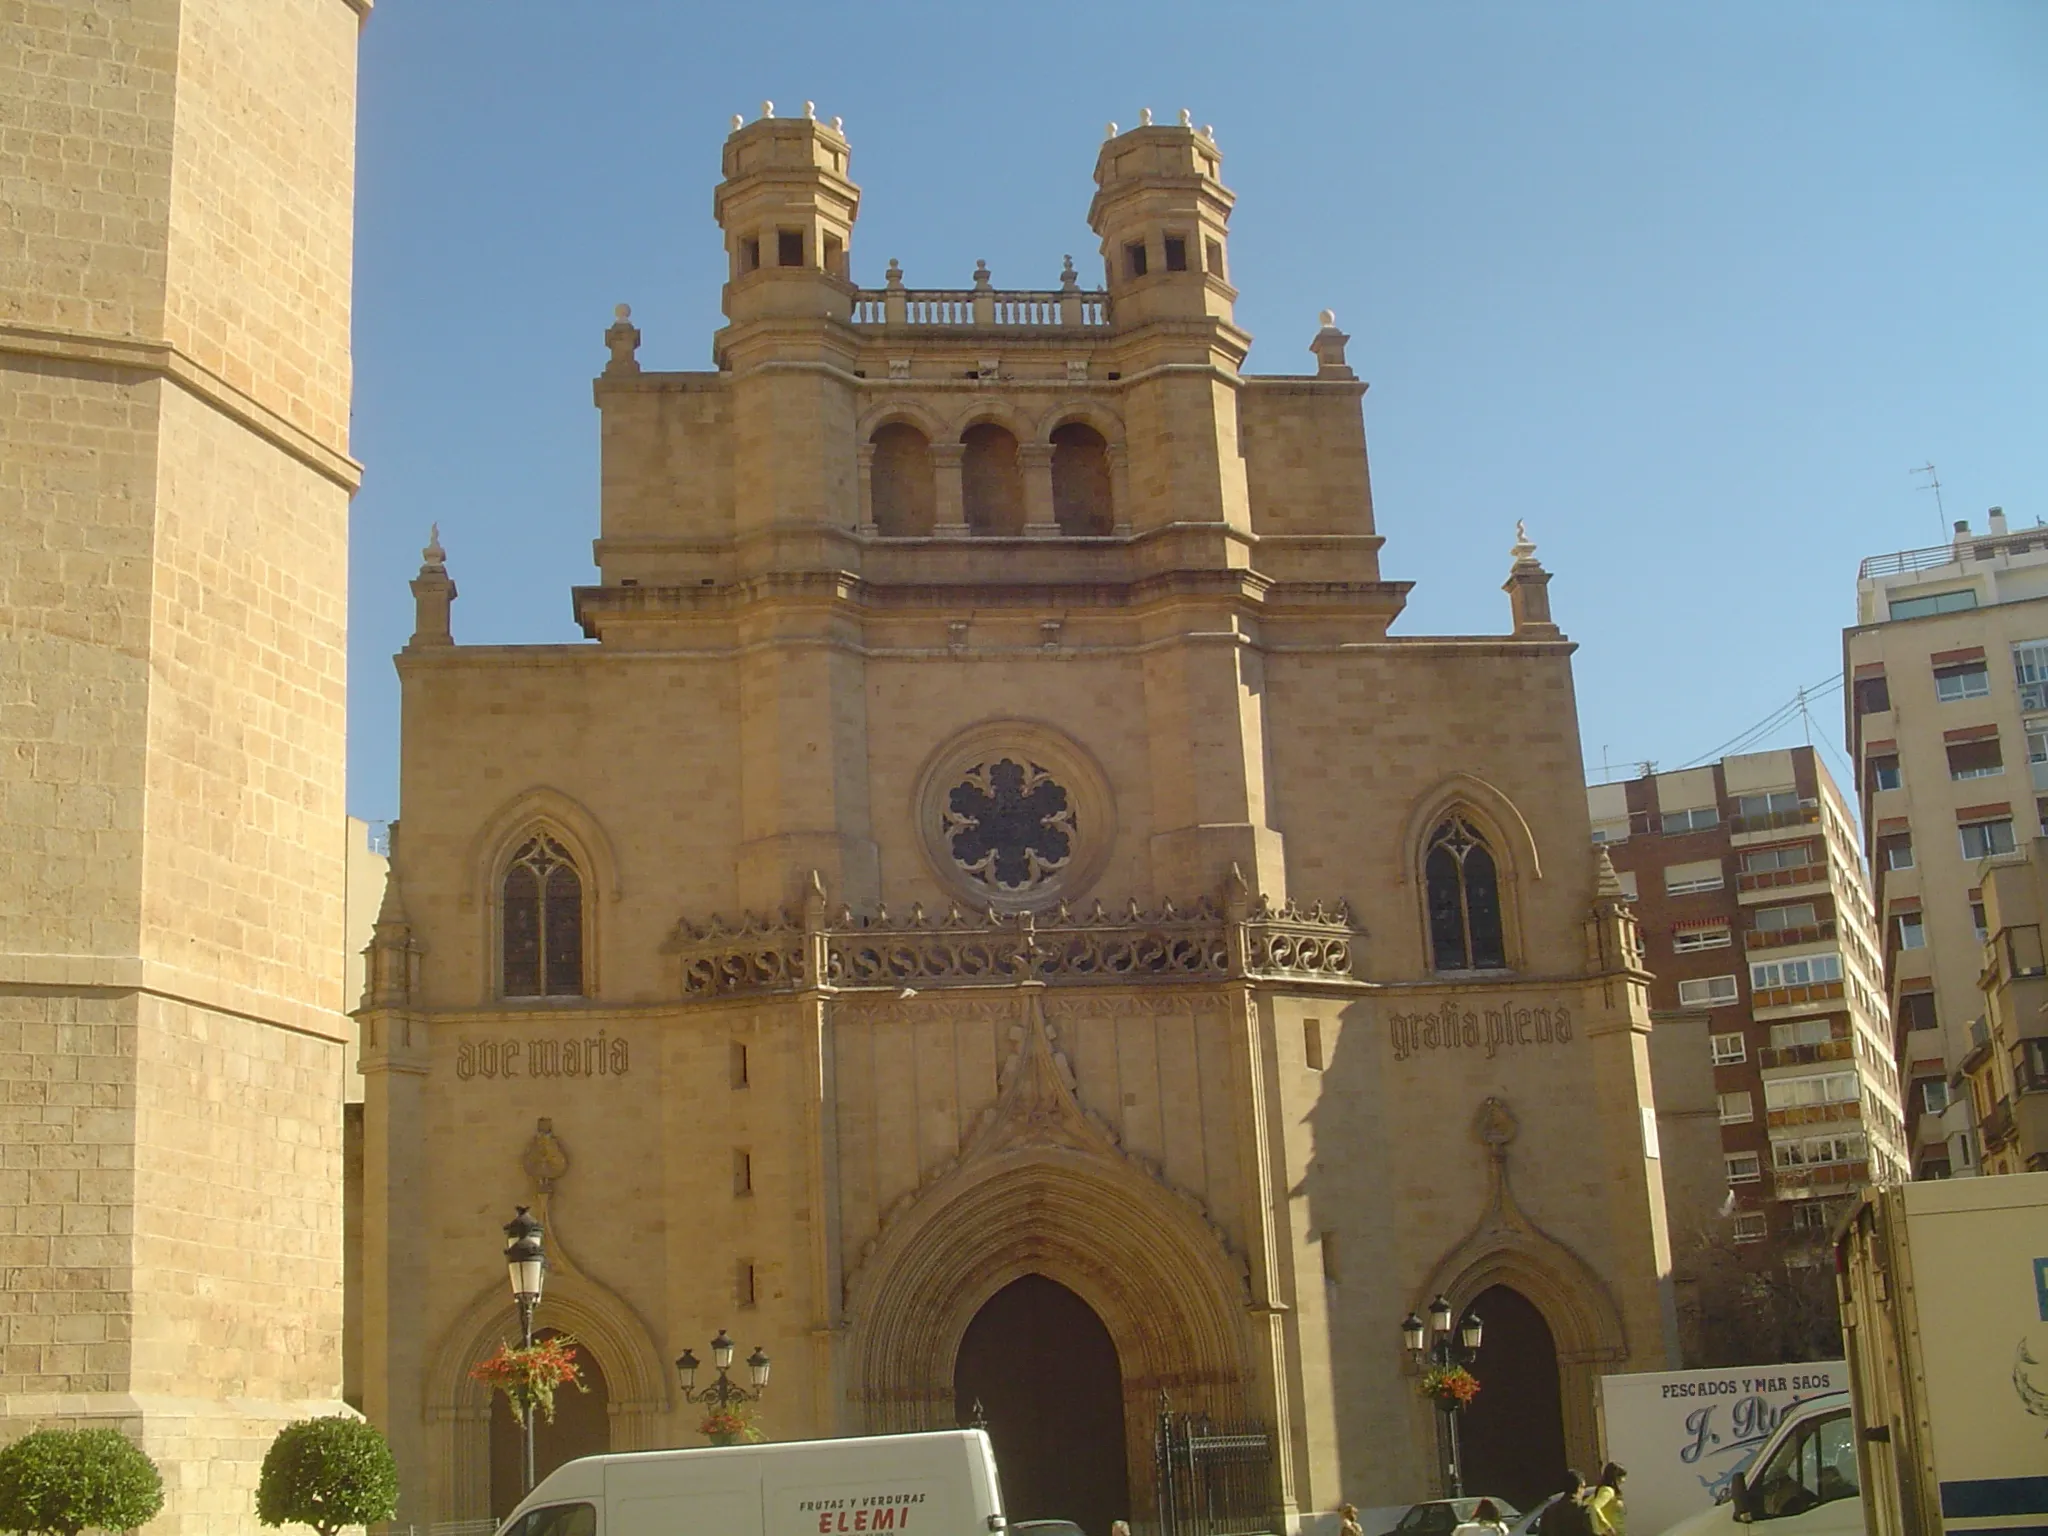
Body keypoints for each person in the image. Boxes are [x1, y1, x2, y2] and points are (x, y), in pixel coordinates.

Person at [1588, 1464, 1627, 1536]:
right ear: (1615, 1477)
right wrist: (1607, 1526)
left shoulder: (1604, 1490)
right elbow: (1594, 1506)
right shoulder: (1608, 1491)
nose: (1624, 1480)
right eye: (1622, 1476)